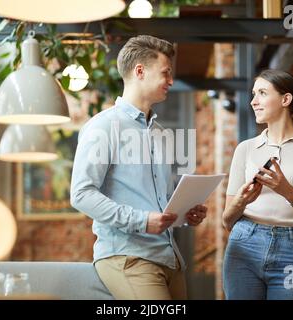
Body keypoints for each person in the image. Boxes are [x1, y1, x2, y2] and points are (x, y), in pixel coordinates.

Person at [71, 35, 207, 300]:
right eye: (166, 73)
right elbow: (82, 194)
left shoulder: (160, 134)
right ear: (140, 71)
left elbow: (159, 202)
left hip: (170, 260)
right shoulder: (102, 127)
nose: (170, 81)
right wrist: (142, 222)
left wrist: (184, 213)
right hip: (129, 258)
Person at [222, 69, 293, 300]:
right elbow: (227, 220)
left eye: (261, 93)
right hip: (244, 243)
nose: (253, 101)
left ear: (285, 99)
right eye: (253, 94)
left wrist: (288, 192)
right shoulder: (245, 149)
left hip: (292, 249)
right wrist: (241, 202)